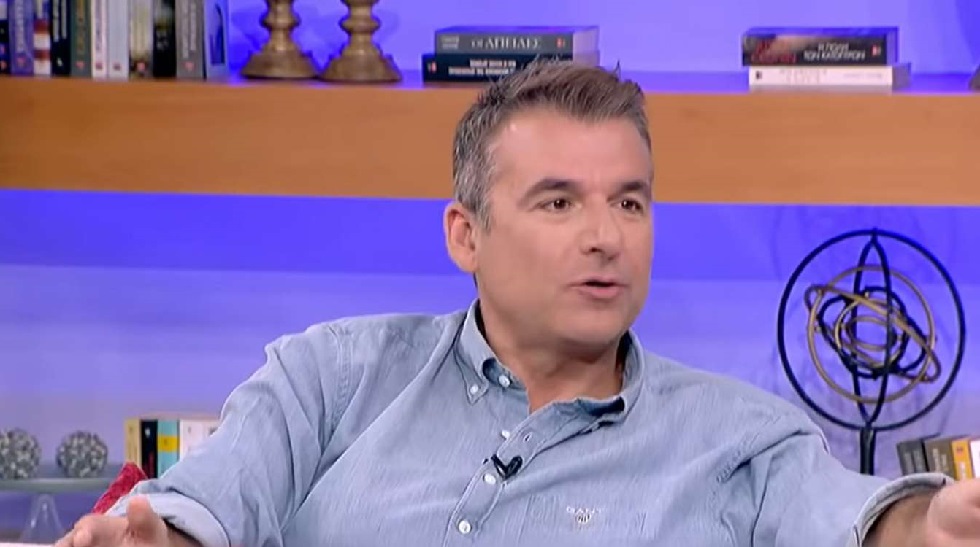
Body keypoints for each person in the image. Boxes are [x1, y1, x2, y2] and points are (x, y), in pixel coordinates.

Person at [58, 60, 979, 547]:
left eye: (630, 202)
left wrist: (931, 525)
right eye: (558, 202)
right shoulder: (329, 378)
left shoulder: (744, 439)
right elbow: (204, 509)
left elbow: (859, 522)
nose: (606, 235)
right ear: (465, 234)